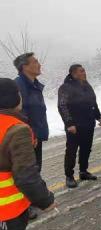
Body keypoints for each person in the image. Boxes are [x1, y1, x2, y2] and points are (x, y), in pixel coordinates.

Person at [0, 78, 55, 230]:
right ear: (15, 98)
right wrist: (45, 200)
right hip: (8, 211)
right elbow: (26, 176)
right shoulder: (16, 129)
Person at [13, 52, 49, 220]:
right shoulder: (19, 86)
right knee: (25, 171)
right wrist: (30, 133)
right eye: (35, 62)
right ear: (24, 67)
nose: (39, 64)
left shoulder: (34, 85)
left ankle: (30, 201)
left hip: (35, 134)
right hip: (26, 136)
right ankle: (23, 206)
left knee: (34, 168)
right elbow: (19, 113)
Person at [58, 64, 101, 188]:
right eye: (81, 71)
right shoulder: (65, 87)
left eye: (84, 71)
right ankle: (69, 176)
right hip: (75, 126)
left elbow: (93, 102)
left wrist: (98, 116)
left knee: (86, 149)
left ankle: (83, 171)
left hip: (88, 123)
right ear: (74, 74)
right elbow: (62, 106)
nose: (84, 73)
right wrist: (69, 123)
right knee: (71, 151)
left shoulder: (87, 85)